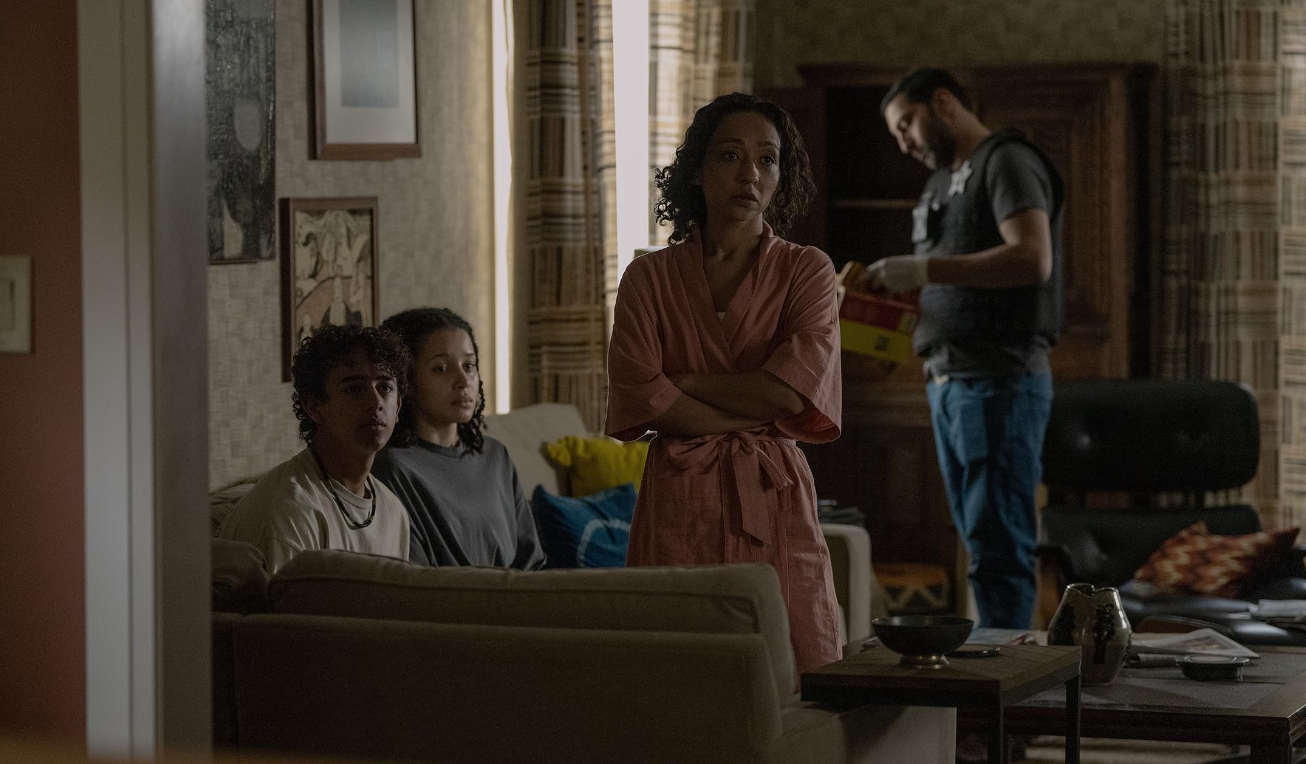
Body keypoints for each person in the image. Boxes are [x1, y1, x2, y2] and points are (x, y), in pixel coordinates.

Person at [605, 92, 843, 676]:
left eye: (767, 159)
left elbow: (790, 394)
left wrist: (685, 381)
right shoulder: (647, 279)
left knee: (793, 664)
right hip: (678, 493)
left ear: (782, 177)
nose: (750, 174)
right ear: (698, 170)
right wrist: (752, 400)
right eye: (731, 156)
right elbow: (642, 396)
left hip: (771, 491)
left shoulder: (807, 271)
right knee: (676, 671)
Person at [862, 68, 1064, 629]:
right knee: (980, 540)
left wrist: (923, 269)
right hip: (947, 381)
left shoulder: (1006, 162)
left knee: (999, 548)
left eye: (907, 124)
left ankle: (1007, 676)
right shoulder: (939, 185)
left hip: (998, 378)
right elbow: (943, 285)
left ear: (944, 102)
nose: (903, 143)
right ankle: (996, 665)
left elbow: (1032, 258)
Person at [219, 324, 412, 573]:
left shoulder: (392, 511)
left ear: (398, 407)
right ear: (314, 407)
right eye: (354, 389)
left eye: (385, 388)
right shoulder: (290, 511)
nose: (375, 402)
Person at [372, 307, 547, 569]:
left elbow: (531, 561)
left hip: (521, 593)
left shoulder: (495, 455)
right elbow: (413, 578)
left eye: (469, 366)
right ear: (406, 382)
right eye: (441, 368)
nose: (463, 381)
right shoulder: (392, 468)